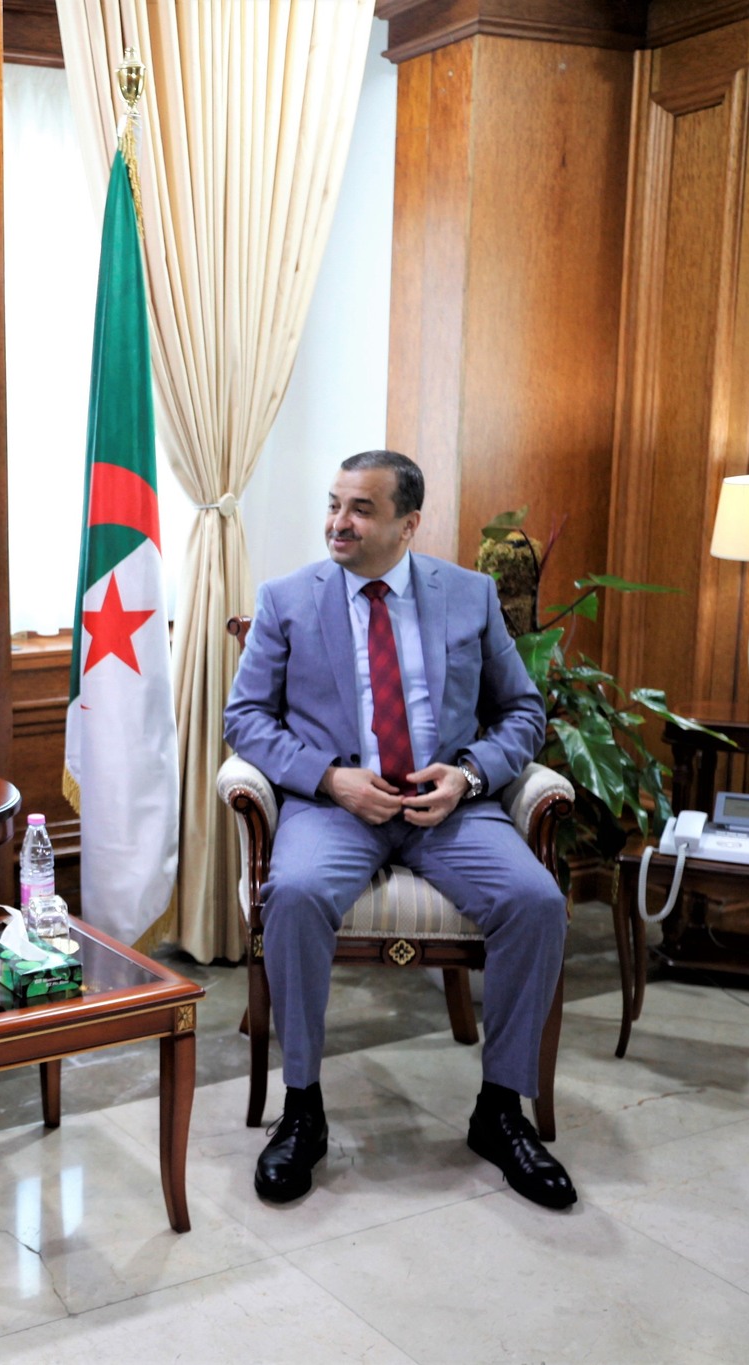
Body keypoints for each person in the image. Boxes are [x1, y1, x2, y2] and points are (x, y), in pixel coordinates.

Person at [222, 450, 575, 1211]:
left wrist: (468, 776)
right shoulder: (288, 599)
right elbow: (244, 718)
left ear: (408, 524)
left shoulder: (469, 595)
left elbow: (523, 710)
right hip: (336, 809)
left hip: (446, 809)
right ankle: (303, 1108)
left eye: (361, 509)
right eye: (334, 504)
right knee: (295, 893)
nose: (338, 522)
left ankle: (501, 1109)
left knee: (537, 902)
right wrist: (329, 778)